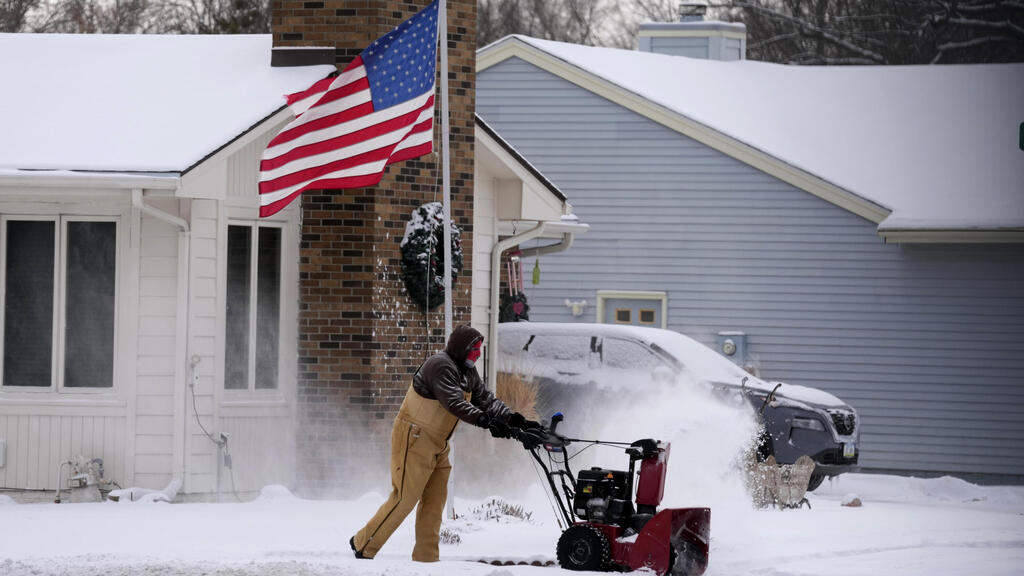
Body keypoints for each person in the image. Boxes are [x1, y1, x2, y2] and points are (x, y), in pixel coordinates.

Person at [350, 325, 539, 562]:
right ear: (462, 348)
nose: (478, 354)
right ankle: (363, 544)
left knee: (434, 501)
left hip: (438, 442)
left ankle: (426, 558)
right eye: (475, 349)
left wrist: (515, 420)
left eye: (480, 349)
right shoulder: (440, 366)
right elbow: (454, 403)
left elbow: (485, 400)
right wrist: (486, 422)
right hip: (414, 437)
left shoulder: (467, 372)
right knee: (405, 498)